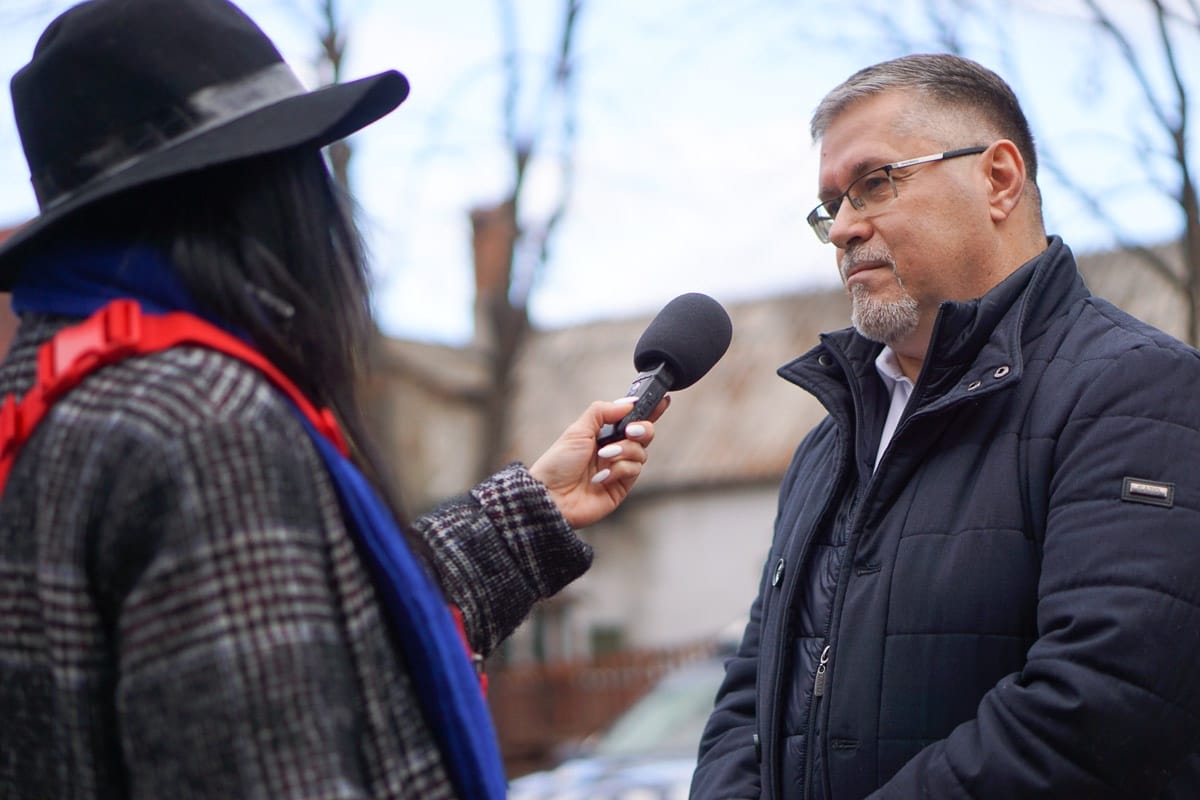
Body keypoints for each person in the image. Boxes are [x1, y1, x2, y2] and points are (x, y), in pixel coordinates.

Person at [0, 1, 663, 798]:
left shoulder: (50, 393)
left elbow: (331, 641)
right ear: (258, 191)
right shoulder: (204, 423)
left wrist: (530, 510)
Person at [692, 53, 1200, 799]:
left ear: (999, 179)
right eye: (830, 205)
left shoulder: (1138, 391)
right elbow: (749, 697)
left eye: (874, 183)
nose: (843, 229)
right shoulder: (827, 448)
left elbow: (1103, 701)